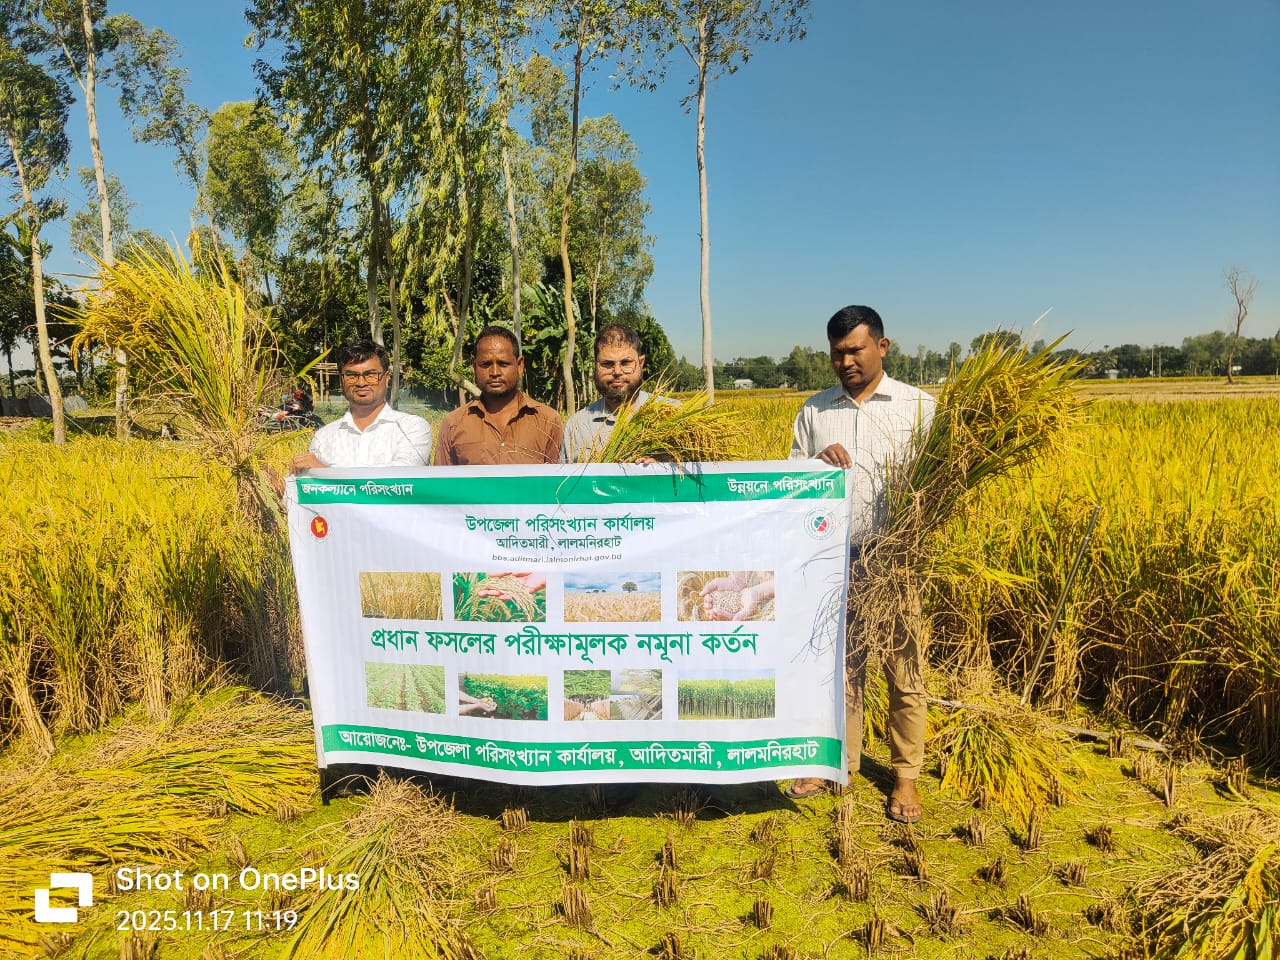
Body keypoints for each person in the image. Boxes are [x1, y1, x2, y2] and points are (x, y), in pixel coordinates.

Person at [785, 305, 936, 825]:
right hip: (832, 560)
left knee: (904, 670)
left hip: (897, 561)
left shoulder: (920, 409)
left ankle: (905, 777)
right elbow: (790, 483)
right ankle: (837, 764)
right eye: (837, 352)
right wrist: (813, 463)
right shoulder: (815, 412)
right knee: (839, 669)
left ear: (883, 347)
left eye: (855, 349)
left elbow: (940, 488)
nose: (846, 361)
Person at [290, 338, 432, 471]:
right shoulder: (324, 437)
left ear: (386, 378)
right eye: (352, 375)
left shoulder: (412, 428)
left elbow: (401, 479)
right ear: (342, 380)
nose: (361, 383)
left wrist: (324, 472)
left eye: (370, 374)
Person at [432, 326, 562, 465]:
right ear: (474, 366)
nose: (494, 372)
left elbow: (558, 483)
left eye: (503, 364)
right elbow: (443, 484)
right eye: (485, 364)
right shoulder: (453, 424)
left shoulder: (548, 422)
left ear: (519, 365)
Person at [560, 323, 664, 463]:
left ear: (641, 363)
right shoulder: (577, 427)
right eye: (607, 364)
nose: (617, 371)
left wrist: (665, 468)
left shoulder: (673, 413)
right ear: (595, 365)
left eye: (626, 362)